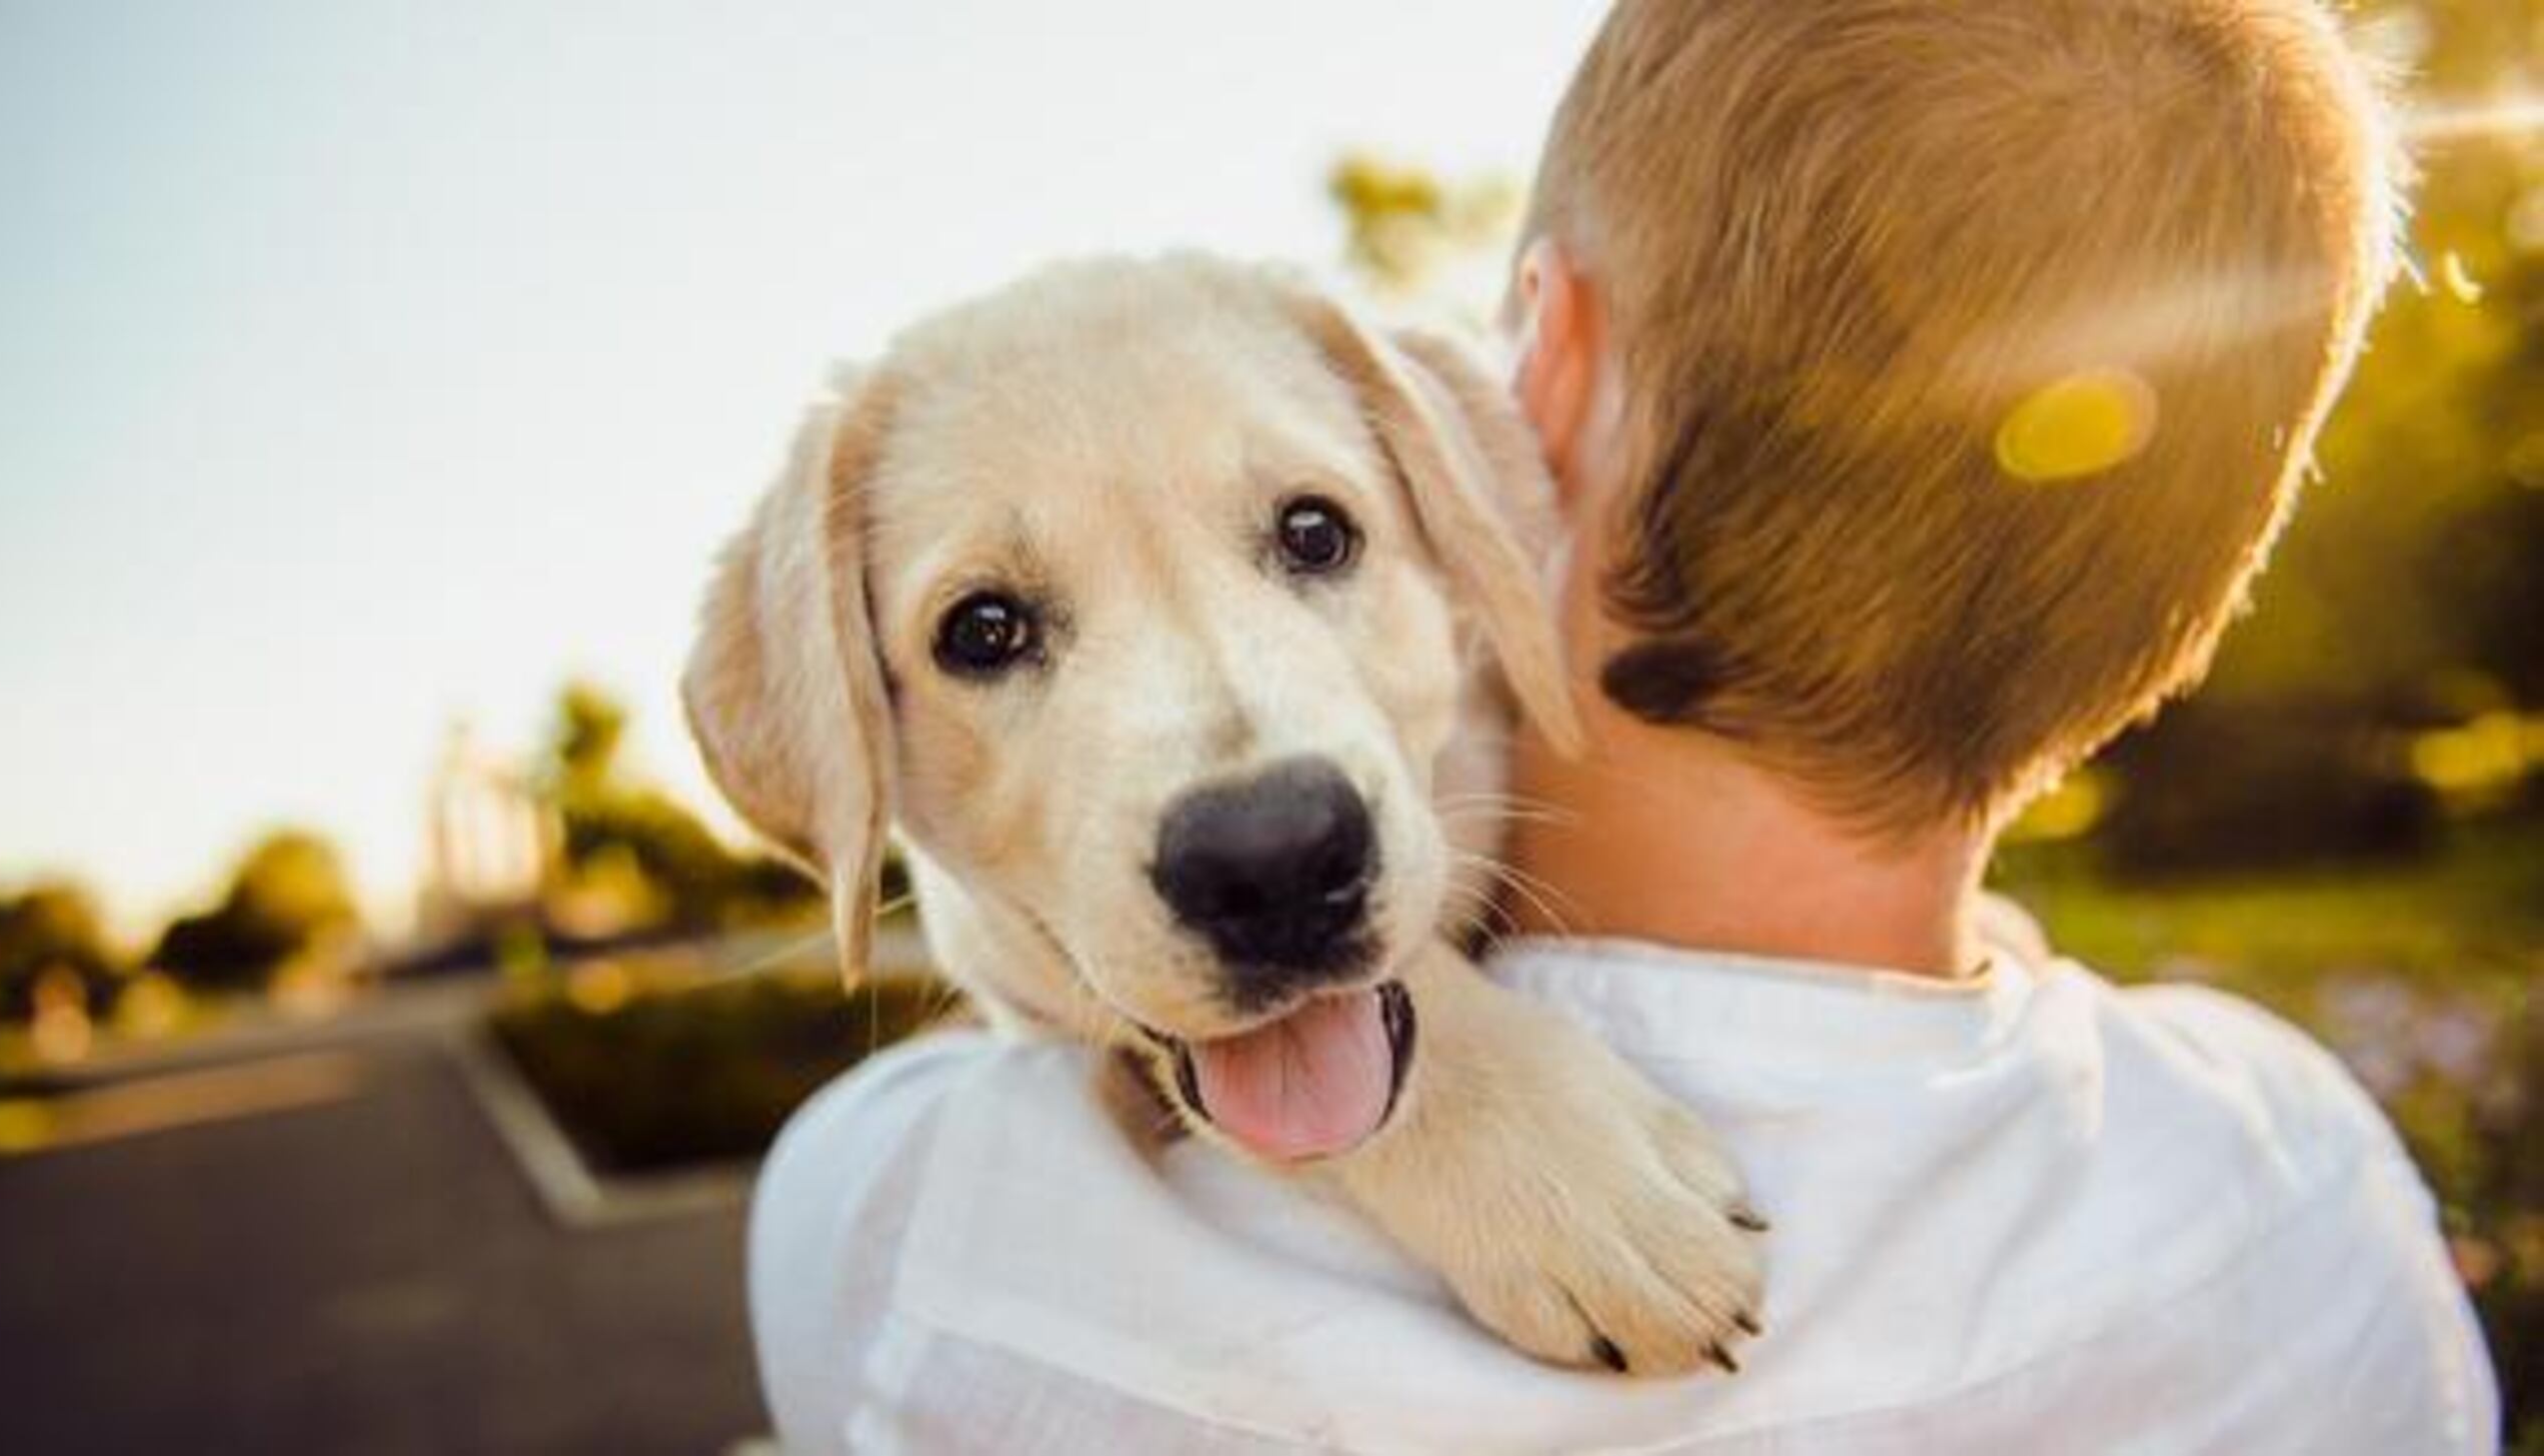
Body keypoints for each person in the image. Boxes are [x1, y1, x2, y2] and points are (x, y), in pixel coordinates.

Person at [748, 0, 2500, 1449]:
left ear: (1542, 379)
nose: (1250, 784)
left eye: (1310, 535)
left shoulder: (918, 1245)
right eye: (991, 630)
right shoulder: (2310, 1184)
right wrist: (1438, 1078)